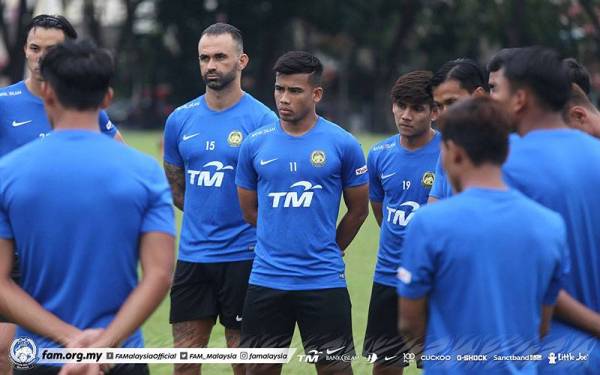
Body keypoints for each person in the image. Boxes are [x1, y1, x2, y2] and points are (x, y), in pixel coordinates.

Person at [0, 40, 175, 374]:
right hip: (119, 356)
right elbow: (159, 274)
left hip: (38, 355)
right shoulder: (145, 171)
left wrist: (69, 339)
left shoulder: (7, 175)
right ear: (107, 98)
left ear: (47, 93)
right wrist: (103, 345)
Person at [397, 96, 568, 374]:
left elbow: (409, 320)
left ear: (453, 152)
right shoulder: (550, 226)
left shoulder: (429, 223)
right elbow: (543, 324)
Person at [0, 14, 124, 374]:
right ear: (24, 49)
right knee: (8, 348)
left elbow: (118, 163)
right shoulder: (4, 103)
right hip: (15, 245)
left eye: (50, 50)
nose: (40, 58)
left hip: (74, 249)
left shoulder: (84, 107)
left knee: (80, 347)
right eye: (34, 48)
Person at [235, 51, 368, 375]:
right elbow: (250, 210)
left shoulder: (342, 143)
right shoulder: (254, 144)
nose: (284, 98)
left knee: (335, 369)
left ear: (316, 94)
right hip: (267, 279)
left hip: (323, 281)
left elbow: (359, 210)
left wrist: (331, 248)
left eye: (294, 91)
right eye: (279, 89)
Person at [162, 23, 277, 375]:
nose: (211, 65)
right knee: (184, 363)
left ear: (241, 61)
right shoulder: (179, 120)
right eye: (204, 58)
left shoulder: (263, 121)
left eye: (220, 57)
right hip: (193, 257)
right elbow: (177, 186)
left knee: (244, 365)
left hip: (245, 257)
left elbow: (270, 194)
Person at [489, 46, 600, 374]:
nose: (489, 99)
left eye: (497, 89)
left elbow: (529, 276)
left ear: (520, 99)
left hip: (549, 354)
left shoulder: (505, 166)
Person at [363, 71, 440, 375]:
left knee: (437, 364)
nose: (406, 115)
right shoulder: (379, 154)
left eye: (417, 108)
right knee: (385, 365)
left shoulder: (450, 154)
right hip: (388, 276)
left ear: (434, 111)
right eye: (400, 105)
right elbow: (379, 209)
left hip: (436, 278)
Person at [427, 58, 488, 203]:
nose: (444, 114)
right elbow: (434, 206)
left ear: (478, 96)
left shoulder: (507, 149)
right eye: (439, 106)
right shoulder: (449, 149)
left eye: (452, 102)